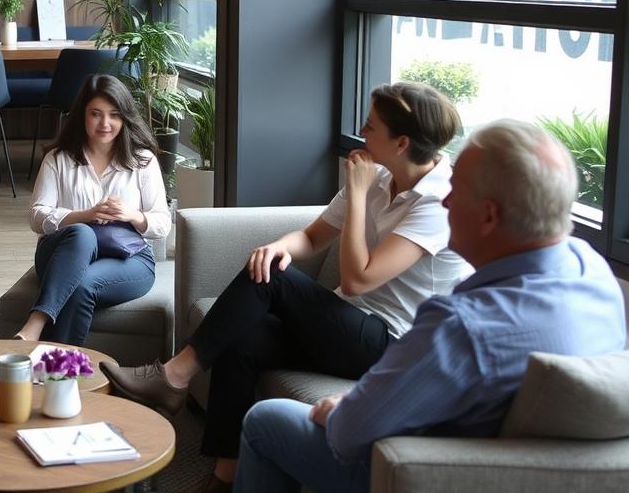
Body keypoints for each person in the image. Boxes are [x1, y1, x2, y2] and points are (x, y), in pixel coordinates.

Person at [102, 81, 471, 491]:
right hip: (346, 325)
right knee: (239, 336)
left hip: (389, 343)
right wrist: (279, 246)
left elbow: (359, 278)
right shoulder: (380, 175)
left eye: (370, 127)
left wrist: (360, 193)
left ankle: (173, 375)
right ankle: (225, 477)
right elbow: (313, 238)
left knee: (272, 279)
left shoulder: (439, 201)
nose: (362, 133)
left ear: (401, 143)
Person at [235, 119, 628, 493]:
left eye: (455, 190)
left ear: (489, 215)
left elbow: (347, 432)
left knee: (266, 419)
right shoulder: (592, 271)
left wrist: (338, 409)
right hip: (514, 470)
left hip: (427, 474)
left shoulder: (463, 327)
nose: (448, 200)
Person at [13, 74, 171, 345]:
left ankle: (56, 372)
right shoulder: (58, 159)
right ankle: (39, 328)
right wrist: (85, 216)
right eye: (95, 114)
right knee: (83, 235)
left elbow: (162, 223)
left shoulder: (142, 161)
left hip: (128, 258)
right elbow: (36, 216)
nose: (105, 124)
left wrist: (131, 215)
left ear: (124, 118)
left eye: (113, 115)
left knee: (82, 285)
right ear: (82, 116)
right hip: (63, 253)